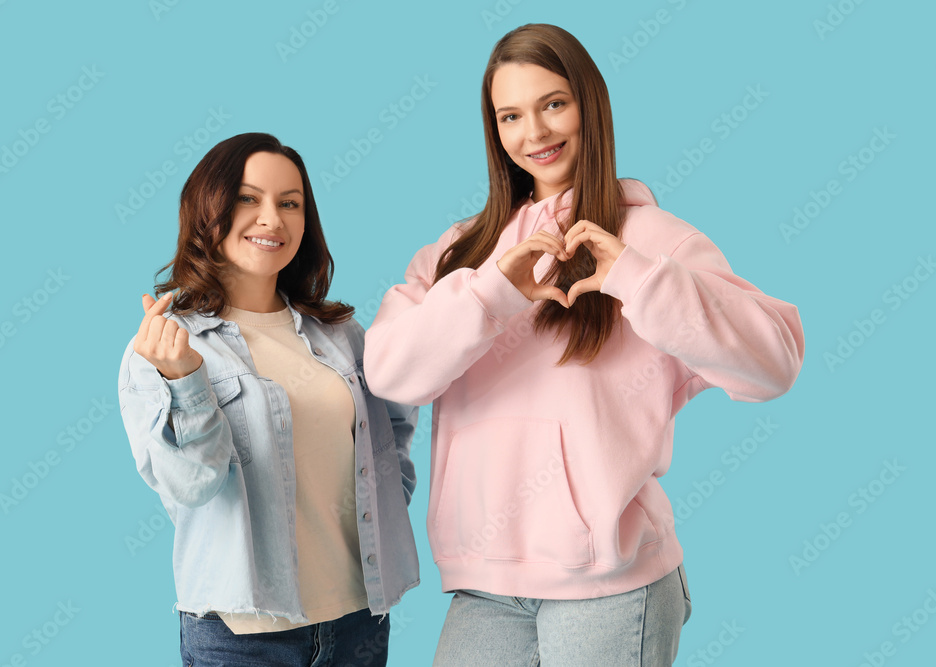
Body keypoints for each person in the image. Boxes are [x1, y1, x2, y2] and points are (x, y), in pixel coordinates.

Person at [363, 24, 804, 666]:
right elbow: (390, 373)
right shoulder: (460, 253)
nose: (534, 133)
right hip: (484, 582)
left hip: (611, 586)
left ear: (589, 105)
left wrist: (635, 276)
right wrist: (491, 293)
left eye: (553, 104)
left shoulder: (655, 240)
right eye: (510, 115)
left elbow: (773, 363)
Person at [117, 132, 419, 666]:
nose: (271, 219)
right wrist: (186, 380)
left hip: (357, 621)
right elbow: (192, 485)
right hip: (242, 635)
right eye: (248, 199)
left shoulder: (341, 332)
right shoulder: (166, 345)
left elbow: (391, 435)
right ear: (207, 209)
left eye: (290, 203)